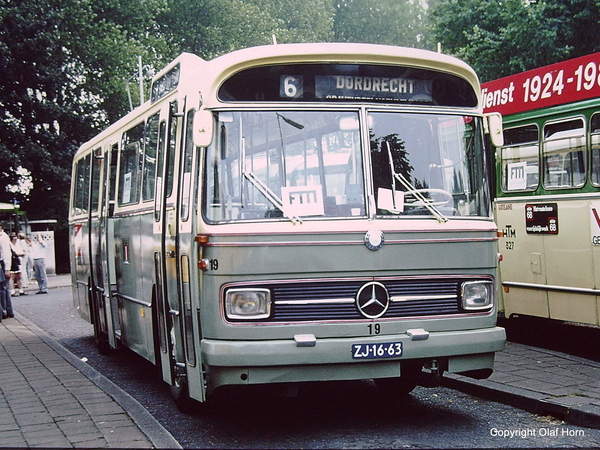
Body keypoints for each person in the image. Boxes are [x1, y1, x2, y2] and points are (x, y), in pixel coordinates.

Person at [0, 224, 14, 319]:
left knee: (3, 290)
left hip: (3, 263)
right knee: (4, 289)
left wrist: (7, 269)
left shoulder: (3, 238)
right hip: (3, 263)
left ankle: (5, 310)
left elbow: (6, 253)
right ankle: (7, 310)